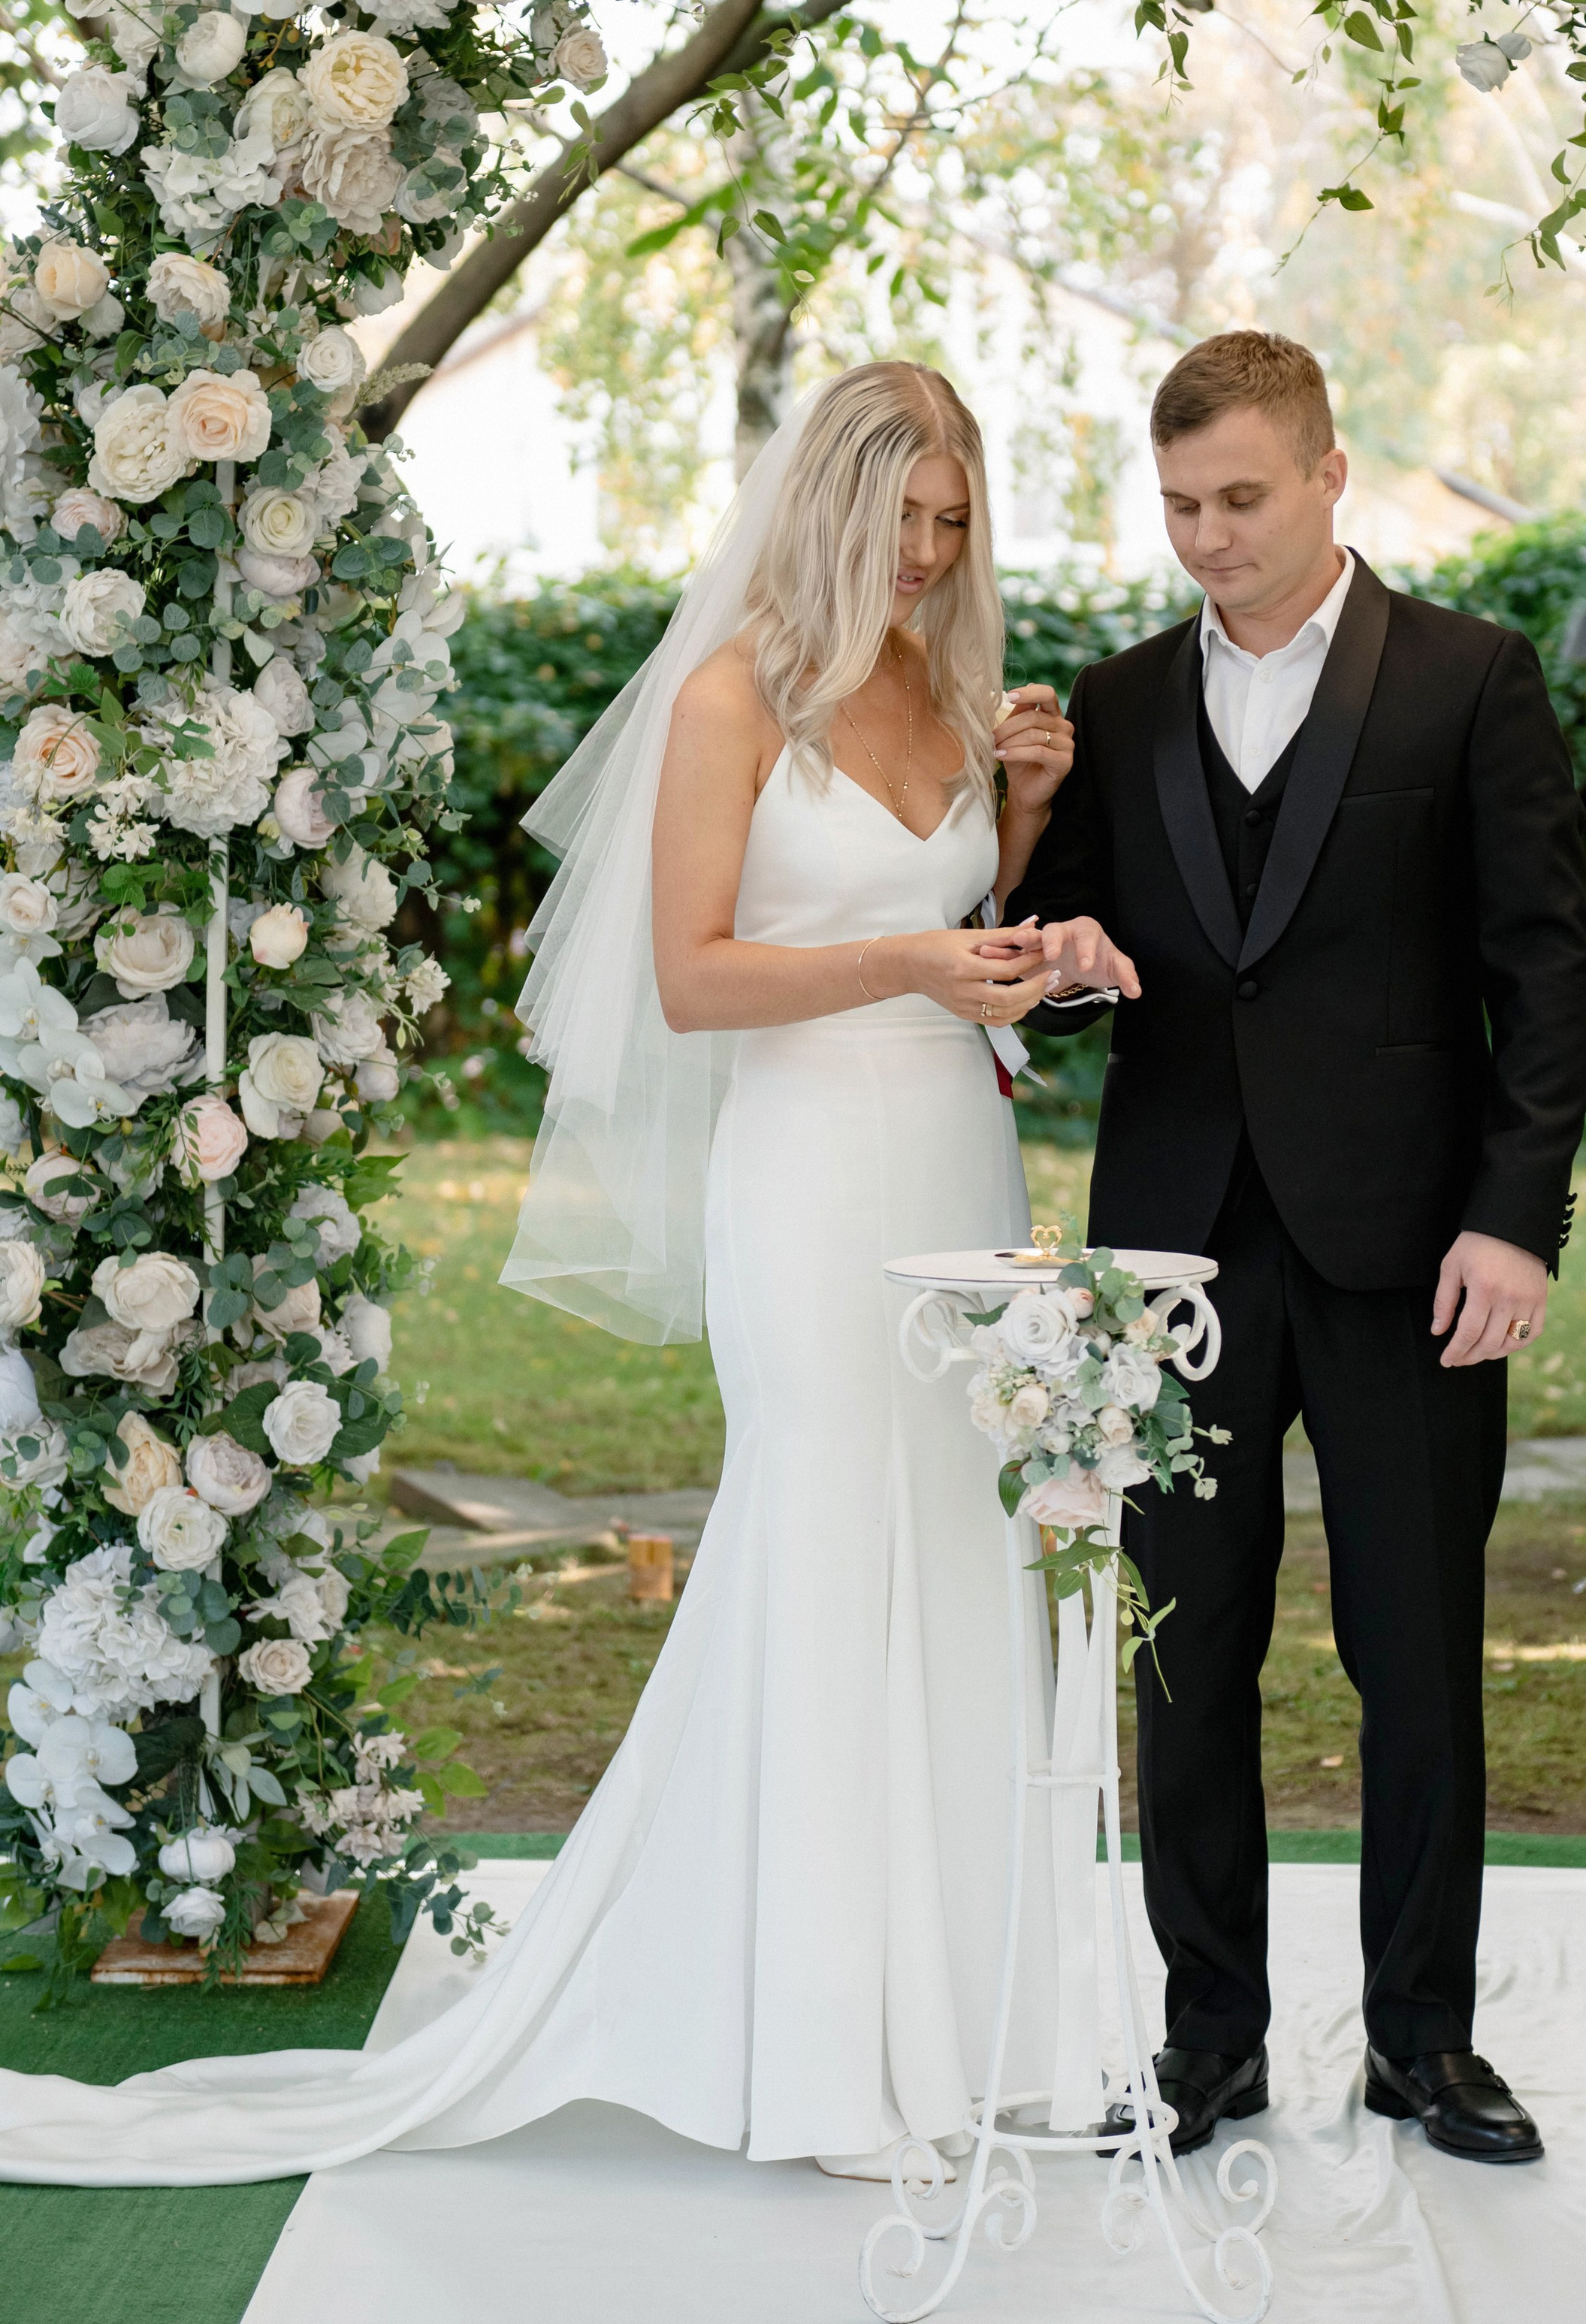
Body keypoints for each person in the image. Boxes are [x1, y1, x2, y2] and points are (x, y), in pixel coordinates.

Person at [0, 360, 1093, 2186]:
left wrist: (1028, 850)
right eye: (898, 517)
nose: (924, 554)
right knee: (827, 1549)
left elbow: (947, 940)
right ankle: (825, 2061)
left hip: (952, 1166)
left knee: (957, 1547)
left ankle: (958, 2022)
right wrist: (914, 960)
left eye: (952, 522)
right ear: (822, 503)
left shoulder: (948, 683)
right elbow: (696, 975)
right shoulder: (735, 693)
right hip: (810, 1178)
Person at [1019, 330, 1586, 2171]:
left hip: (1413, 1251)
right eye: (1179, 504)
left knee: (1413, 1655)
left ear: (1330, 473)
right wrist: (1055, 916)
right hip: (1175, 1261)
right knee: (1183, 1665)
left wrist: (1514, 1218)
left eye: (1241, 498)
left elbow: (1544, 973)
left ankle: (1422, 2044)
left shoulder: (1467, 680)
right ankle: (1208, 2045)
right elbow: (1045, 947)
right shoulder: (1111, 702)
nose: (1207, 536)